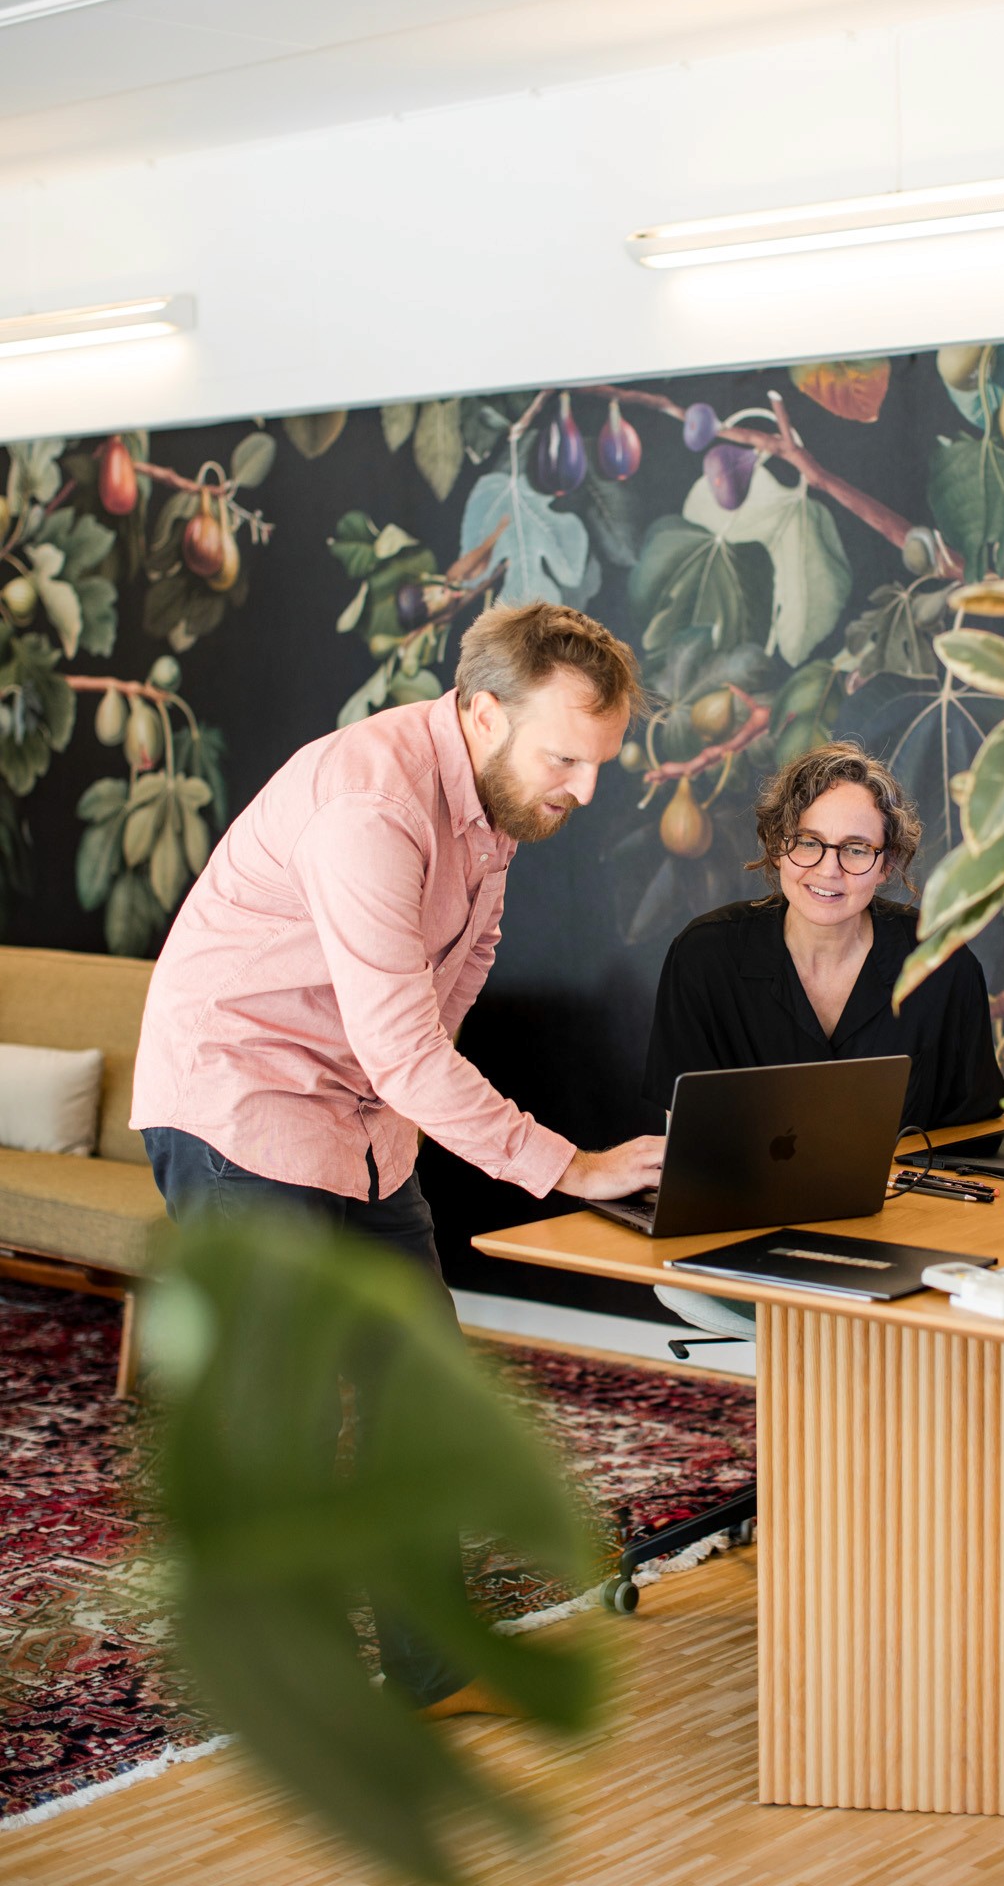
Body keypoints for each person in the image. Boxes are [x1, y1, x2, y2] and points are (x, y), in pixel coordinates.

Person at [132, 600, 665, 1716]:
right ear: (480, 711)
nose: (584, 785)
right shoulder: (371, 801)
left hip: (360, 1118)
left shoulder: (493, 805)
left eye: (600, 759)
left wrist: (408, 1122)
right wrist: (572, 1165)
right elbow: (407, 1040)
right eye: (567, 754)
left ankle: (428, 1662)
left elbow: (445, 995)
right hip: (241, 1097)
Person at [643, 741, 1004, 1135]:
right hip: (743, 1197)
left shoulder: (942, 963)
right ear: (777, 846)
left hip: (912, 1198)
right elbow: (687, 1140)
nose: (828, 870)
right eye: (808, 842)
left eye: (855, 848)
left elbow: (976, 1134)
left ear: (886, 864)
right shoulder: (703, 957)